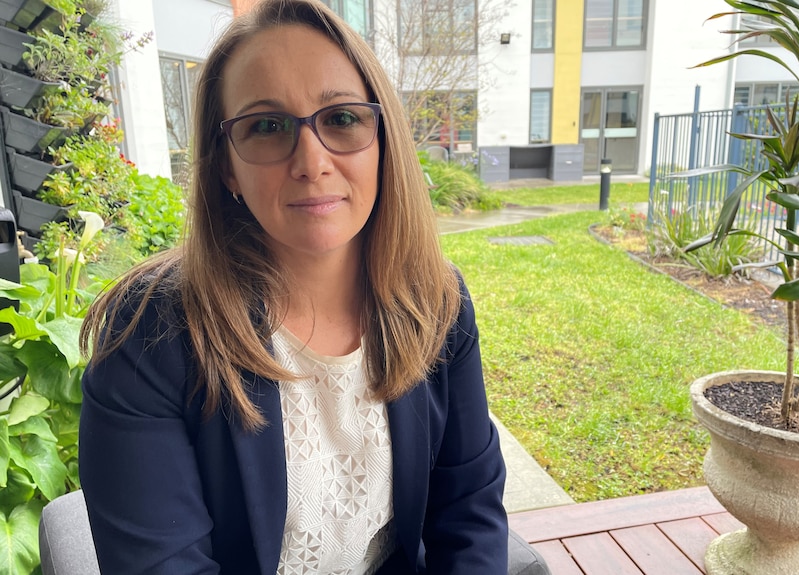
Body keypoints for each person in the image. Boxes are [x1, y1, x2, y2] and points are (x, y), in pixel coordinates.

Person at [77, 0, 518, 573]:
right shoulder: (150, 334)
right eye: (266, 126)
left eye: (341, 118)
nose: (312, 161)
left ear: (383, 140)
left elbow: (470, 514)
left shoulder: (437, 302)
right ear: (226, 168)